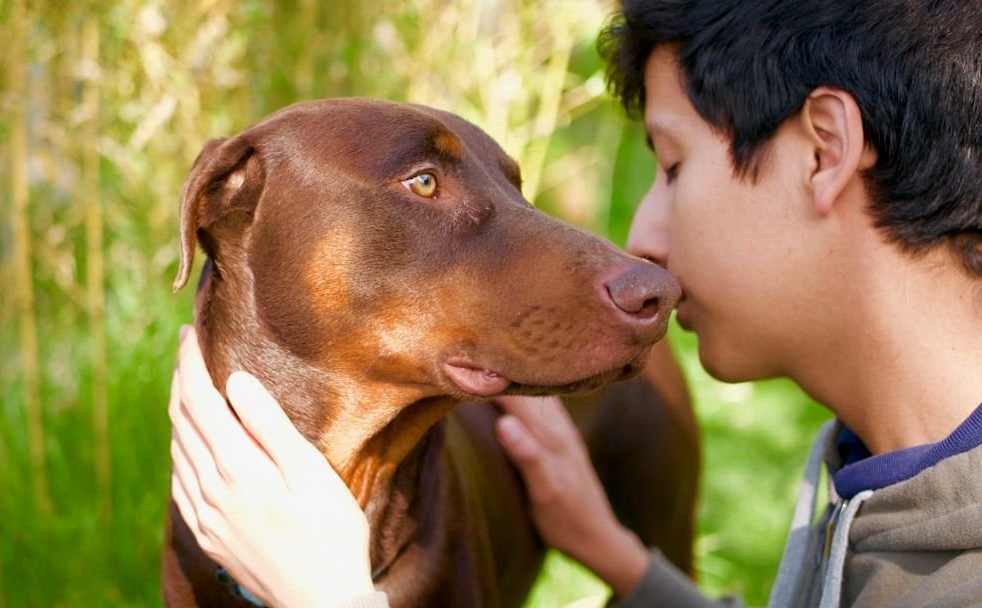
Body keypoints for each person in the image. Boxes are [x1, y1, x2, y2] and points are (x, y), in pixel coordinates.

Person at [168, 0, 982, 606]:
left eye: (670, 165)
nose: (642, 247)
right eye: (425, 184)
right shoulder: (870, 473)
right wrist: (621, 560)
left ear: (825, 151)